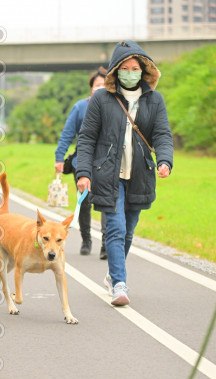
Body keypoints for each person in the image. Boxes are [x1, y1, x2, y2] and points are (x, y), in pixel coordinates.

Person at [76, 40, 173, 306]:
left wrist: (165, 160)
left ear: (144, 70)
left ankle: (112, 274)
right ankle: (120, 284)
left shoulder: (155, 100)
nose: (130, 72)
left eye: (135, 68)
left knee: (128, 232)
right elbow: (86, 138)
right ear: (116, 71)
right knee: (116, 229)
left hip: (140, 175)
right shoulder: (101, 99)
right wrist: (83, 173)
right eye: (125, 68)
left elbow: (162, 134)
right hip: (108, 174)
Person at [54, 67, 108, 258]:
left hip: (107, 163)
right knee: (85, 203)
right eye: (97, 85)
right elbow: (67, 134)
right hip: (82, 163)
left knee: (106, 202)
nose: (101, 88)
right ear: (92, 87)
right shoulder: (80, 108)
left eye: (104, 84)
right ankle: (86, 239)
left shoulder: (116, 106)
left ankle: (106, 244)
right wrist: (59, 157)